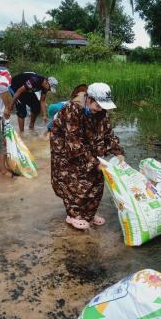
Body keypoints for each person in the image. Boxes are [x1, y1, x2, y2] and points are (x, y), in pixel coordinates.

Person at [50, 83, 124, 230]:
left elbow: (108, 134)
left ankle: (89, 214)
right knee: (73, 181)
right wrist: (95, 162)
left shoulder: (101, 112)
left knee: (97, 179)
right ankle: (74, 215)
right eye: (97, 105)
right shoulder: (72, 109)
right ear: (89, 99)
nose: (100, 109)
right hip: (66, 150)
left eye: (103, 106)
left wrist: (118, 152)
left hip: (89, 147)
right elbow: (74, 142)